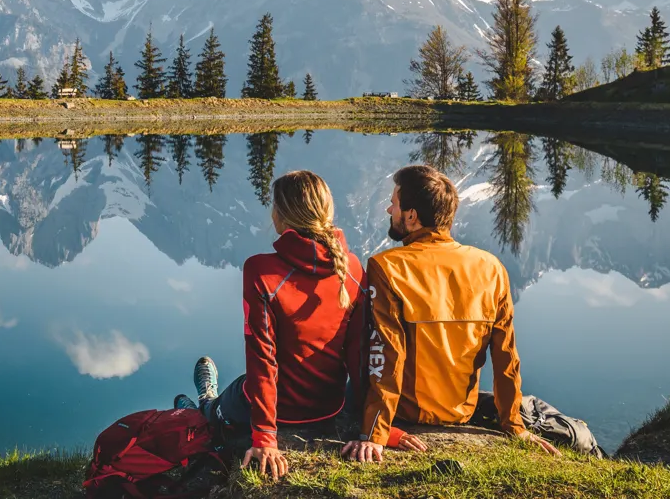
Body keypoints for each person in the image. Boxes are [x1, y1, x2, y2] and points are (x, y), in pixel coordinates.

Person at [180, 170, 425, 481]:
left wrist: (265, 437)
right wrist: (378, 428)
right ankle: (206, 401)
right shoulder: (350, 266)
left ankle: (203, 403)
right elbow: (359, 357)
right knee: (250, 386)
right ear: (327, 212)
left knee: (220, 408)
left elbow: (263, 360)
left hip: (279, 410)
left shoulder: (260, 270)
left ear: (280, 215)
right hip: (330, 405)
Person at [341, 164, 560, 463]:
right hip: (461, 412)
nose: (388, 208)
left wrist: (375, 433)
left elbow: (386, 354)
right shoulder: (491, 267)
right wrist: (513, 425)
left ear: (411, 216)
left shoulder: (388, 266)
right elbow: (506, 355)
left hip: (407, 412)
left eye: (394, 202)